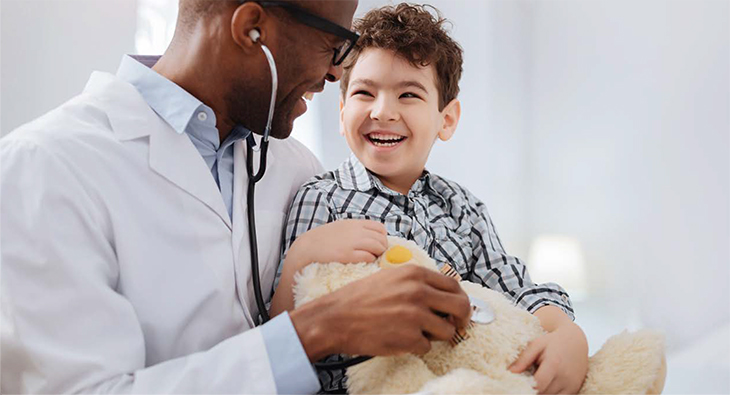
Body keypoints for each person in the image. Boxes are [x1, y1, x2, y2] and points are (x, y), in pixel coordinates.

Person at [0, 1, 473, 393]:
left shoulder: (296, 167)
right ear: (251, 29)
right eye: (334, 44)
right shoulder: (44, 166)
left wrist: (548, 323)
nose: (335, 73)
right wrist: (313, 331)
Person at [270, 4, 589, 394]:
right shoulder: (322, 199)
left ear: (447, 119)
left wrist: (567, 332)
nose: (383, 111)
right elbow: (279, 341)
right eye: (364, 93)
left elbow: (516, 287)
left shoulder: (462, 206)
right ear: (341, 112)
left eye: (408, 94)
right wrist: (300, 257)